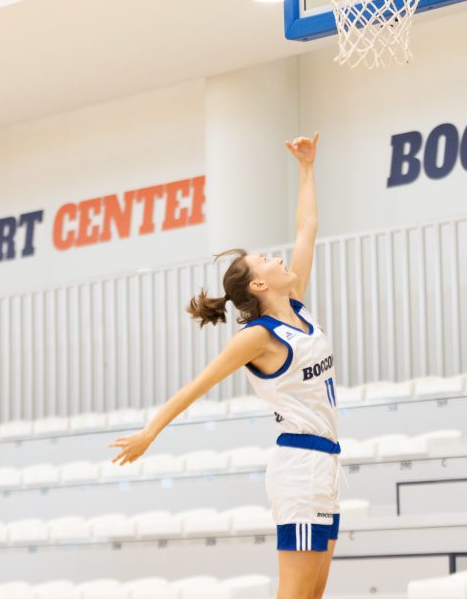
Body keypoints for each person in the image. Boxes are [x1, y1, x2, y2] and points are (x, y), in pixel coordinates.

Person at [108, 132, 340, 599]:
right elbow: (200, 384)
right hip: (299, 464)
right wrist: (150, 431)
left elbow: (306, 228)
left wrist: (307, 167)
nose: (279, 258)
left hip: (329, 462)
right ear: (257, 283)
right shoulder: (257, 337)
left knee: (314, 595)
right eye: (268, 259)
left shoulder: (296, 305)